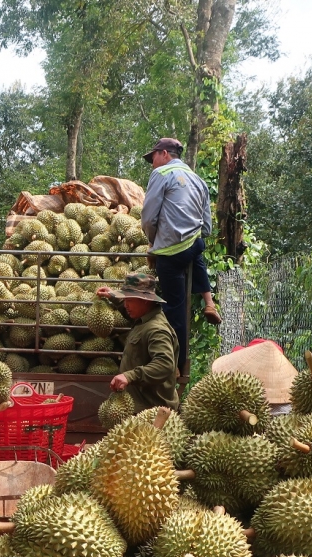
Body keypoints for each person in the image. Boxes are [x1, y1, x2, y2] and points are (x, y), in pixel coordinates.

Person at [139, 137, 221, 376]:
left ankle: (175, 364)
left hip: (171, 252)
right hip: (194, 244)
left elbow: (148, 218)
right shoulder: (198, 180)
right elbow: (207, 226)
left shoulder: (162, 173)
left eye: (153, 157)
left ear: (164, 154)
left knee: (175, 308)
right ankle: (209, 302)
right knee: (196, 253)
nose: (152, 163)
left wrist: (153, 245)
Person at [97, 273, 180, 413]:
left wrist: (130, 376)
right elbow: (129, 311)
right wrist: (113, 297)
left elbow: (164, 364)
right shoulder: (144, 318)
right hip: (140, 407)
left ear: (145, 300)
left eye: (129, 300)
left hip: (152, 412)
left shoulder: (157, 330)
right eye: (125, 299)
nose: (126, 304)